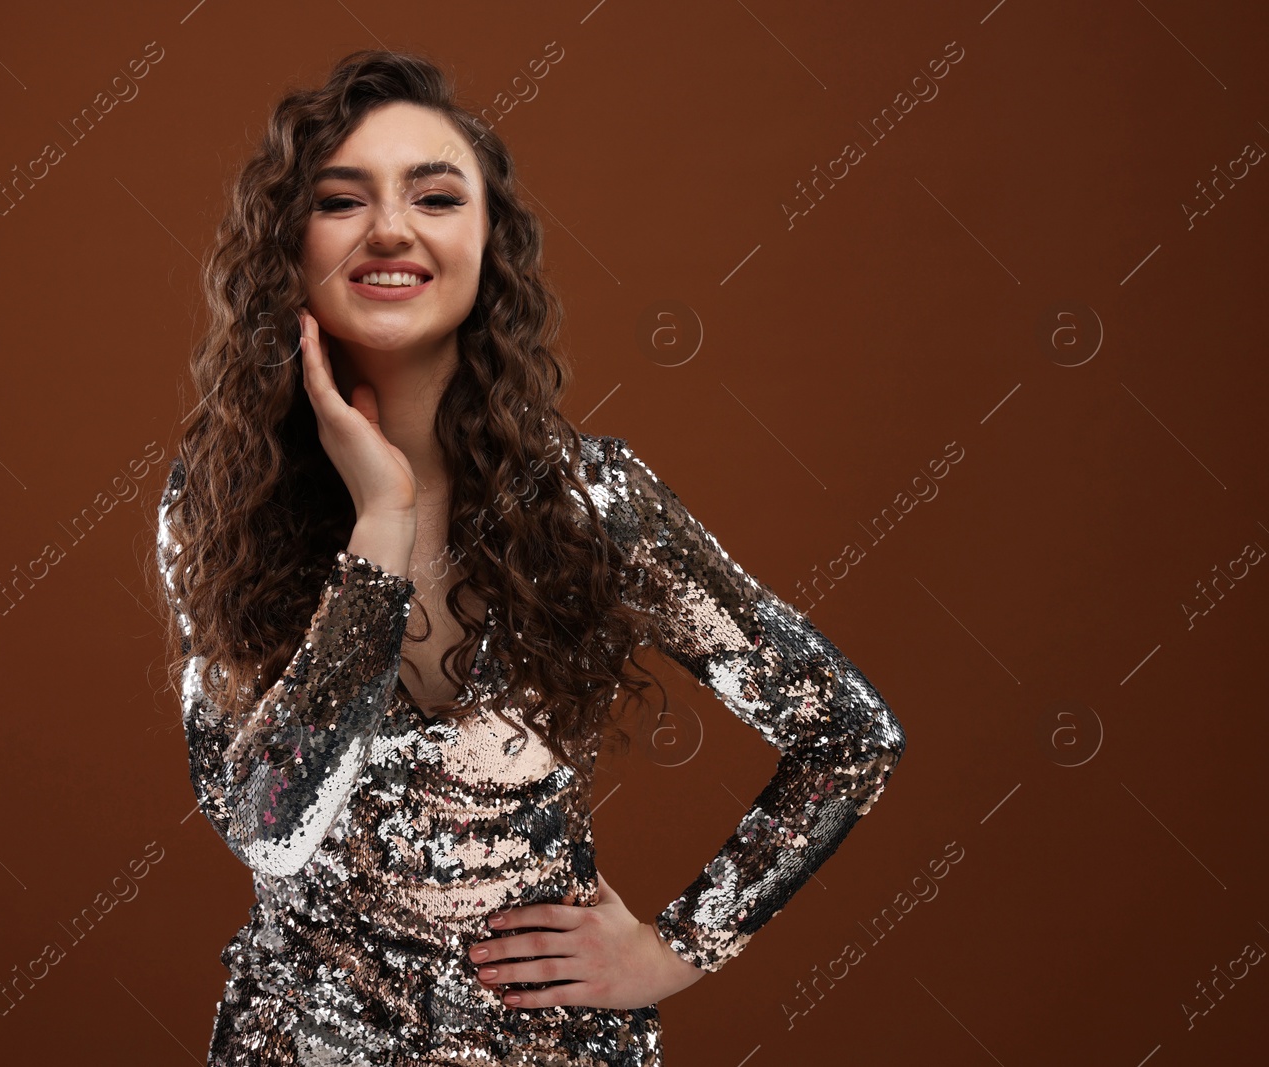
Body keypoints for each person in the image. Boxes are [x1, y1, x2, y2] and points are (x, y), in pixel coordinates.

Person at [155, 48, 907, 1067]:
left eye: (434, 196)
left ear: (488, 246)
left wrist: (675, 947)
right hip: (296, 1043)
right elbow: (265, 826)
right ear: (288, 247)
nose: (390, 228)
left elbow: (848, 733)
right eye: (342, 200)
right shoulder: (218, 502)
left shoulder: (590, 504)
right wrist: (380, 527)